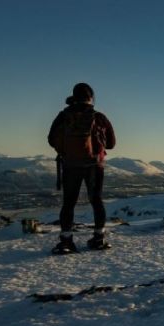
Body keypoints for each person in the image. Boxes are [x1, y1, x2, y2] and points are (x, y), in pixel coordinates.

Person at [47, 82, 116, 254]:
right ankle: (99, 238)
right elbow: (112, 143)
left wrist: (67, 149)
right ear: (91, 97)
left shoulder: (64, 115)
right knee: (97, 201)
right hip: (95, 165)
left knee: (69, 203)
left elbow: (50, 139)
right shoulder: (99, 117)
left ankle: (66, 241)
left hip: (70, 165)